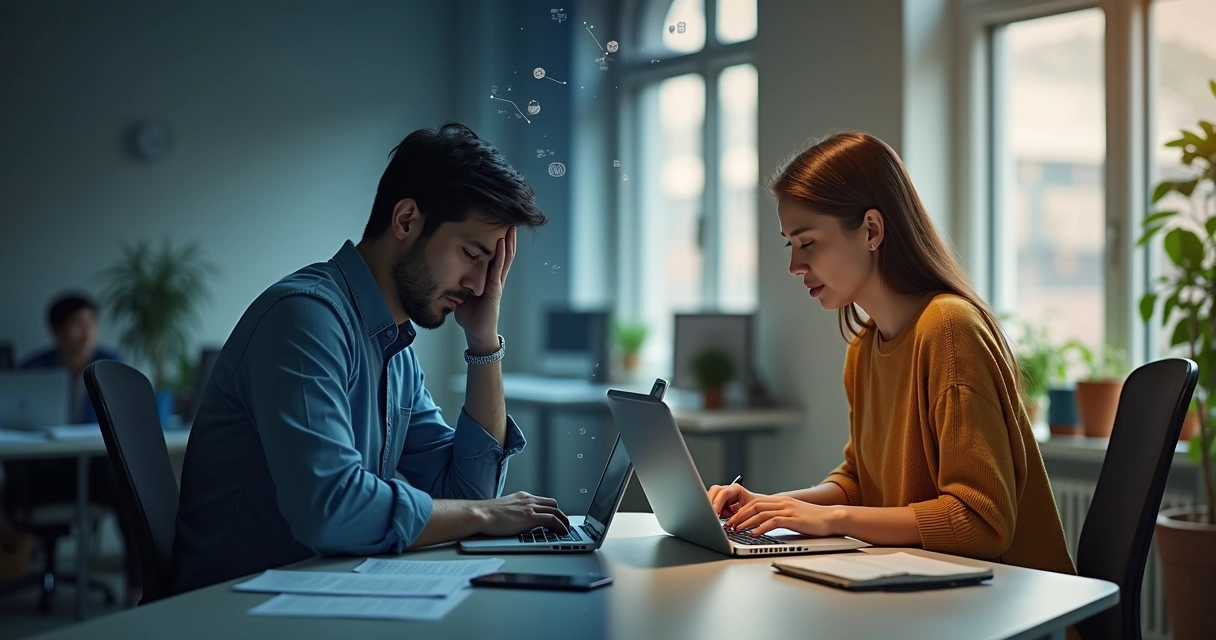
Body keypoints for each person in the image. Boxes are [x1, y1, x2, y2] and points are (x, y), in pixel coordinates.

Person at [172, 123, 567, 595]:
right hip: (234, 613)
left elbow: (464, 493)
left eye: (492, 266)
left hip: (316, 597)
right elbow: (331, 510)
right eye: (471, 254)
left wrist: (484, 343)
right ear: (405, 220)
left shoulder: (393, 347)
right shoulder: (304, 318)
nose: (480, 286)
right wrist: (487, 514)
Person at [708, 132, 1076, 579]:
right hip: (935, 594)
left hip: (1003, 607)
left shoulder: (949, 330)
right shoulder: (864, 348)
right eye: (792, 245)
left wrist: (832, 520)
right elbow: (860, 483)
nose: (795, 267)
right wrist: (777, 506)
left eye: (808, 243)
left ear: (871, 230)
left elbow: (981, 522)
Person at [4, 293, 143, 606]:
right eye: (77, 324)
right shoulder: (32, 368)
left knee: (130, 491)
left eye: (91, 323)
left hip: (94, 471)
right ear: (56, 331)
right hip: (43, 473)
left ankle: (138, 586)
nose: (87, 332)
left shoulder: (110, 363)